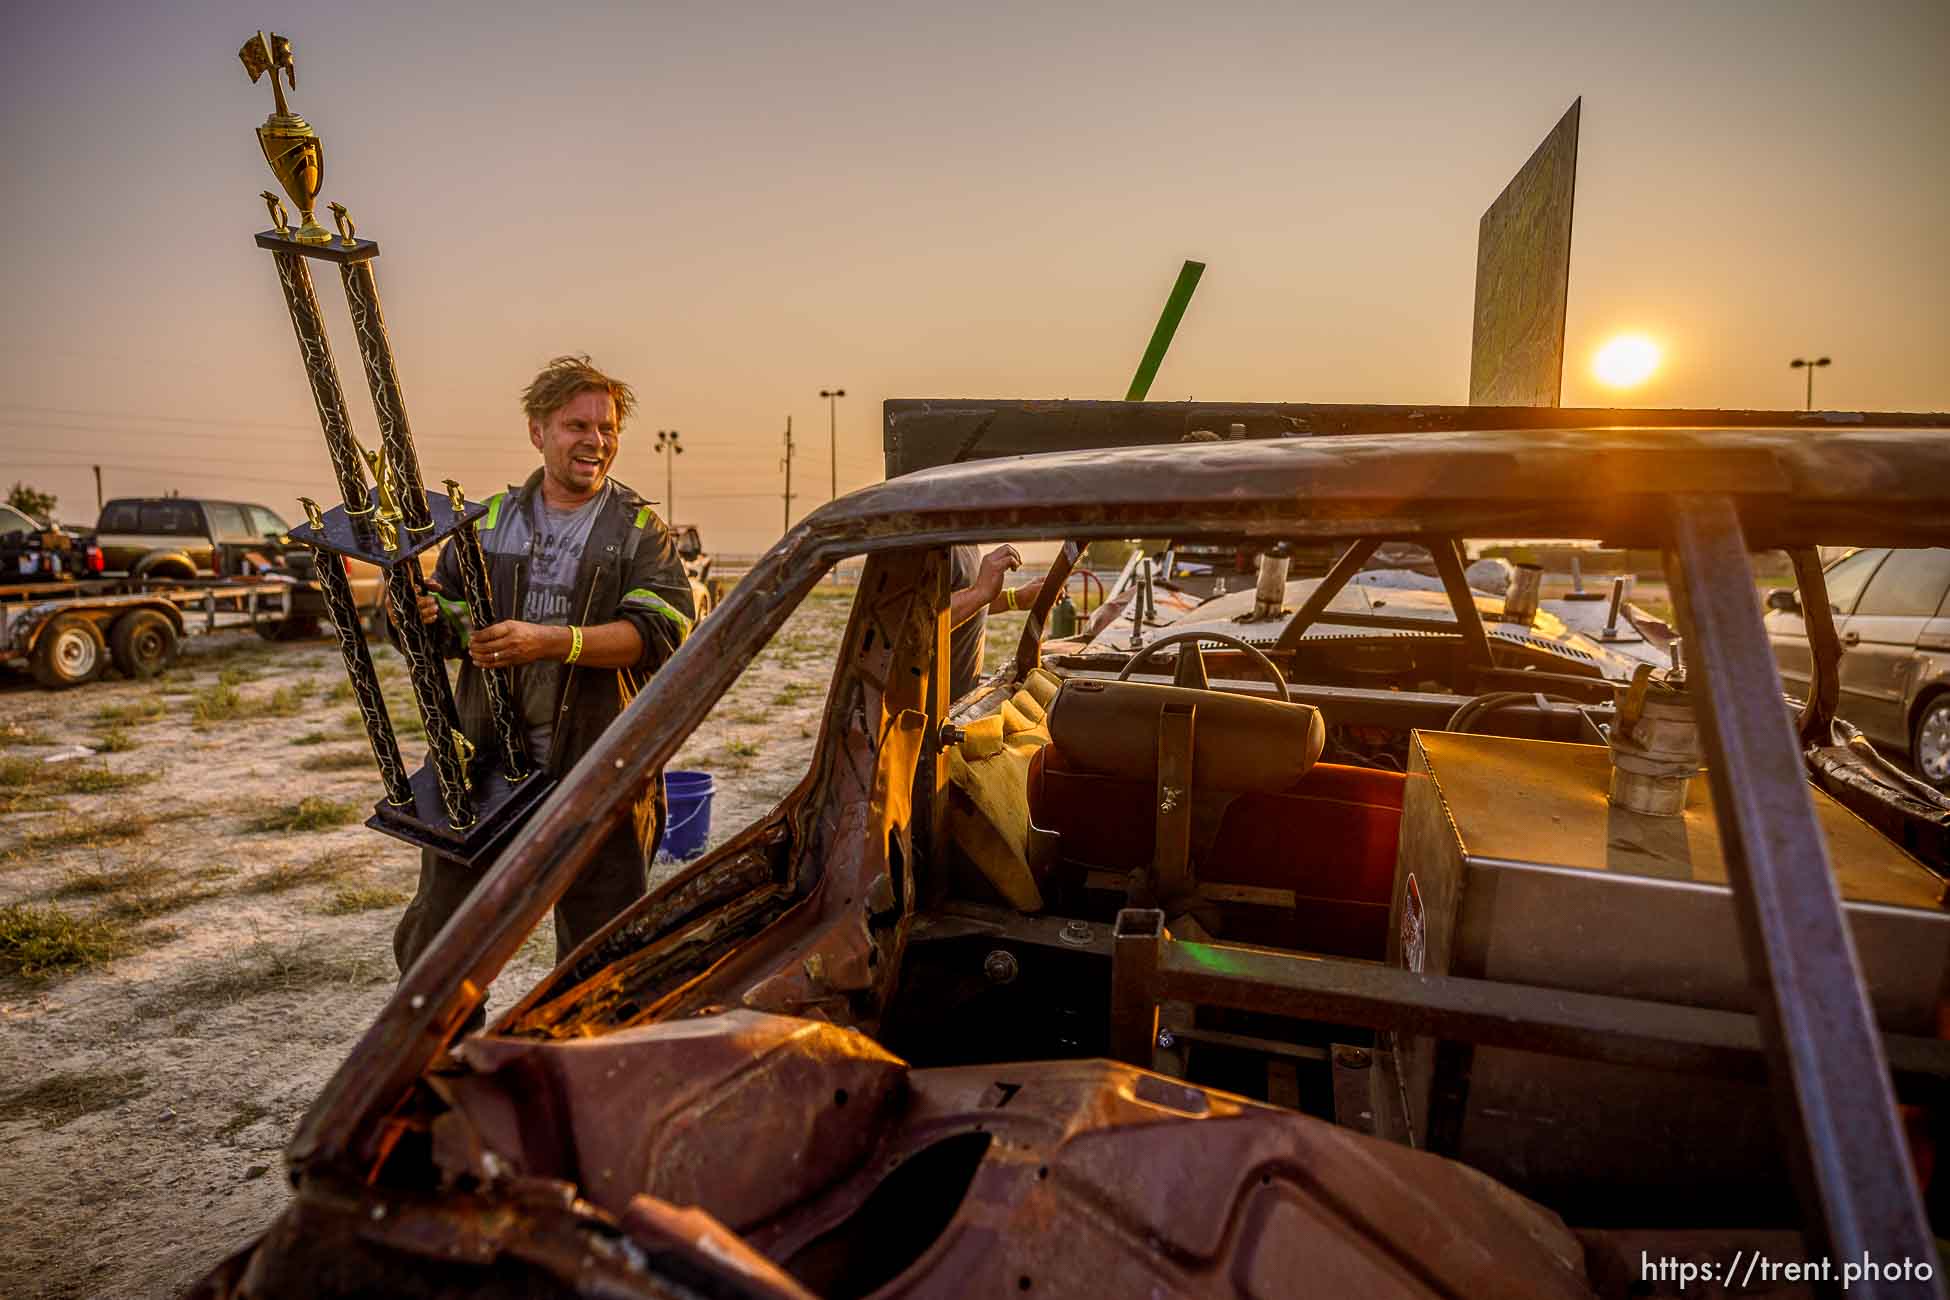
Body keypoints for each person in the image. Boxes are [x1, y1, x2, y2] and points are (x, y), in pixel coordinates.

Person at [395, 355, 696, 992]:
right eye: (576, 426)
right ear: (538, 432)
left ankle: (583, 1067)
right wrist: (421, 614)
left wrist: (553, 642)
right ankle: (441, 1061)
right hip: (479, 763)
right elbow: (452, 621)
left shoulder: (639, 529)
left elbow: (662, 632)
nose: (596, 442)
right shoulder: (488, 520)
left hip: (600, 767)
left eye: (607, 428)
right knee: (440, 938)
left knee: (601, 950)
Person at [947, 543, 1048, 700]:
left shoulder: (965, 540)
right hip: (925, 710)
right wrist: (978, 592)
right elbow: (915, 623)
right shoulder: (925, 541)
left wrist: (1016, 599)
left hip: (961, 699)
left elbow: (968, 599)